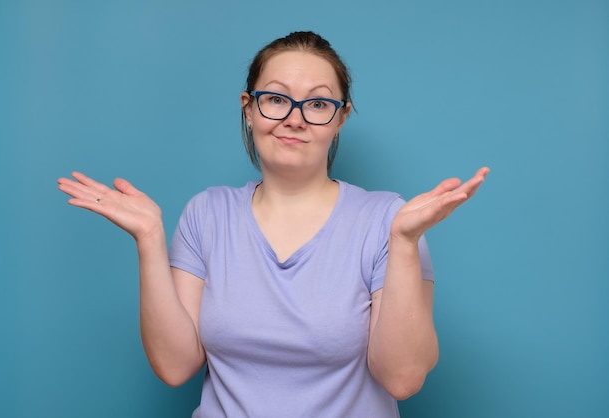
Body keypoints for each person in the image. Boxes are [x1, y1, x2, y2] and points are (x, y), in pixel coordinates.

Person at [58, 31, 489, 418]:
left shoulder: (389, 221)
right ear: (249, 109)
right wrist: (149, 239)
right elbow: (175, 368)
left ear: (340, 118)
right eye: (277, 99)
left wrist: (405, 242)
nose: (295, 118)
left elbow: (403, 379)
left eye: (318, 103)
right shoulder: (207, 214)